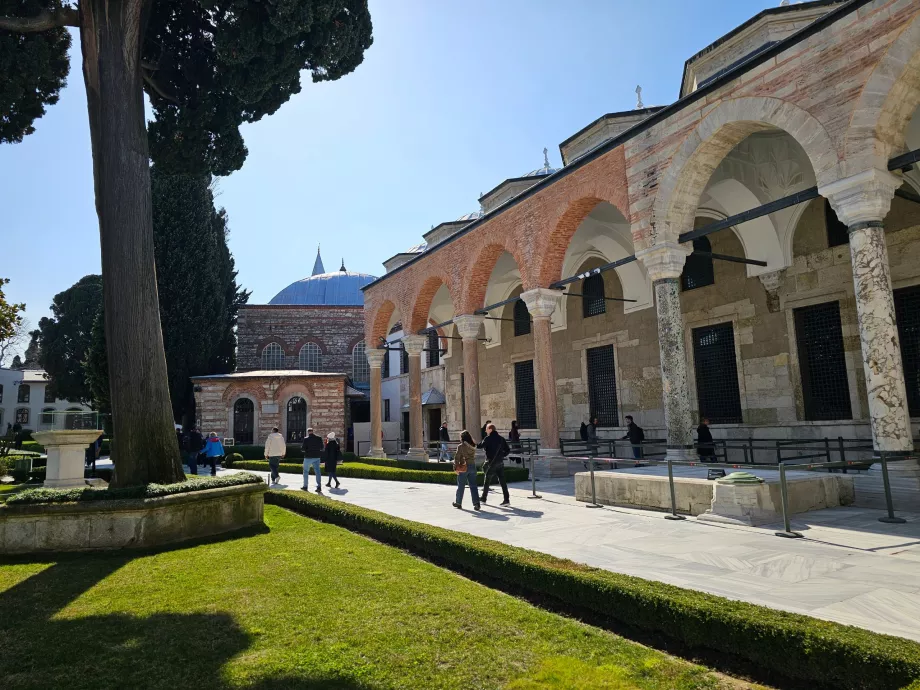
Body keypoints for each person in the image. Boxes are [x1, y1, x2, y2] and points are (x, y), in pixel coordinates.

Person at [479, 423, 510, 506]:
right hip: (500, 462)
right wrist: (501, 456)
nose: (485, 430)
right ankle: (506, 500)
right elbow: (507, 450)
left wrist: (474, 442)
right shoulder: (501, 439)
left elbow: (480, 446)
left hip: (491, 462)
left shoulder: (488, 438)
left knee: (487, 480)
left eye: (486, 429)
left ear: (490, 429)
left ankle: (483, 498)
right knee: (502, 481)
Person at [452, 430, 480, 511]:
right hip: (472, 466)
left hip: (463, 467)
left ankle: (458, 502)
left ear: (462, 438)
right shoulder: (473, 445)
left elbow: (457, 458)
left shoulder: (461, 446)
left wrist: (455, 467)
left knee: (461, 486)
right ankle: (476, 504)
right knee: (473, 486)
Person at [301, 427, 324, 492]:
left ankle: (305, 486)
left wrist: (305, 450)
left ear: (308, 432)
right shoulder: (319, 438)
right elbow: (322, 447)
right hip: (317, 457)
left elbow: (303, 449)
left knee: (305, 471)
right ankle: (319, 487)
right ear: (313, 431)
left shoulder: (306, 439)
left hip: (308, 457)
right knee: (318, 472)